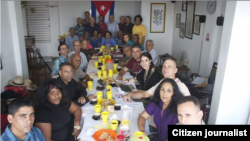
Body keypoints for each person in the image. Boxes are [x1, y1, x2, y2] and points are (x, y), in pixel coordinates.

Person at [123, 56, 191, 102]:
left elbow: (190, 106)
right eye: (164, 66)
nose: (166, 68)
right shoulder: (162, 82)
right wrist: (130, 94)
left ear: (175, 70)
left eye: (169, 66)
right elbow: (146, 94)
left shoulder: (180, 86)